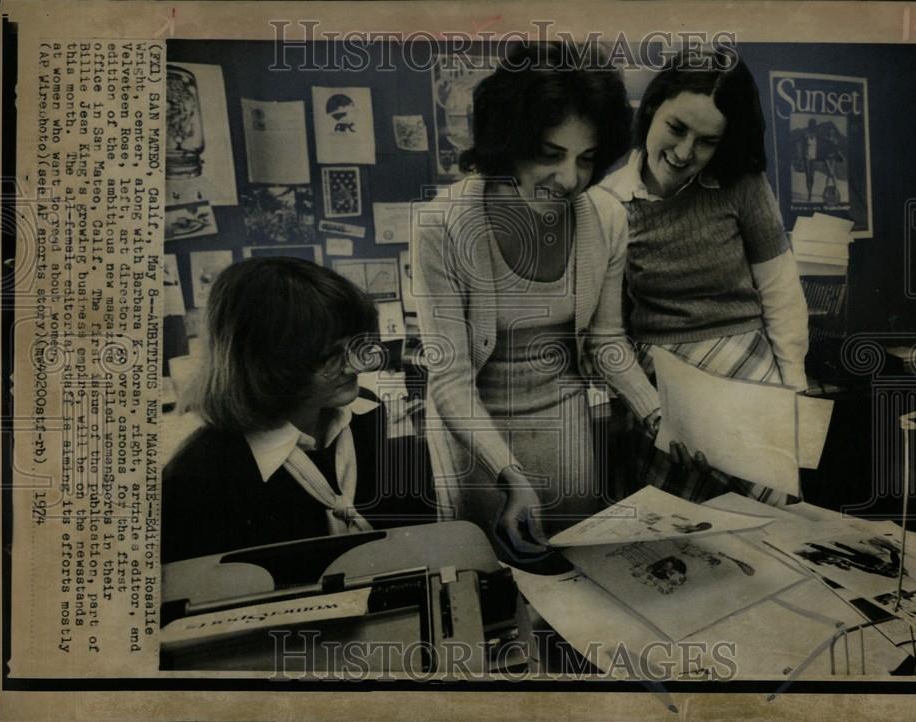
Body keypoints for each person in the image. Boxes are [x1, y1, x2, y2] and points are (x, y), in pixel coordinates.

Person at [413, 44, 663, 563]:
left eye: (587, 158)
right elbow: (451, 380)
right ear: (509, 144)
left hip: (565, 424)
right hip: (475, 438)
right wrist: (509, 476)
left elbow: (607, 342)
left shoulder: (607, 218)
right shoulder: (442, 225)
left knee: (575, 572)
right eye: (550, 155)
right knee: (492, 581)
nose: (570, 179)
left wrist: (654, 412)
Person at [600, 49, 809, 504]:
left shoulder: (743, 184)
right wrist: (649, 409)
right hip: (662, 381)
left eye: (707, 141)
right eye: (676, 128)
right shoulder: (608, 202)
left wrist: (792, 391)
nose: (683, 153)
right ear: (652, 108)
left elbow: (781, 292)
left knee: (768, 522)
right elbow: (607, 330)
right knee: (674, 528)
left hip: (747, 368)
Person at [161, 257, 434, 563]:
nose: (358, 362)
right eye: (330, 355)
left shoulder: (368, 412)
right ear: (264, 366)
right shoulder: (192, 483)